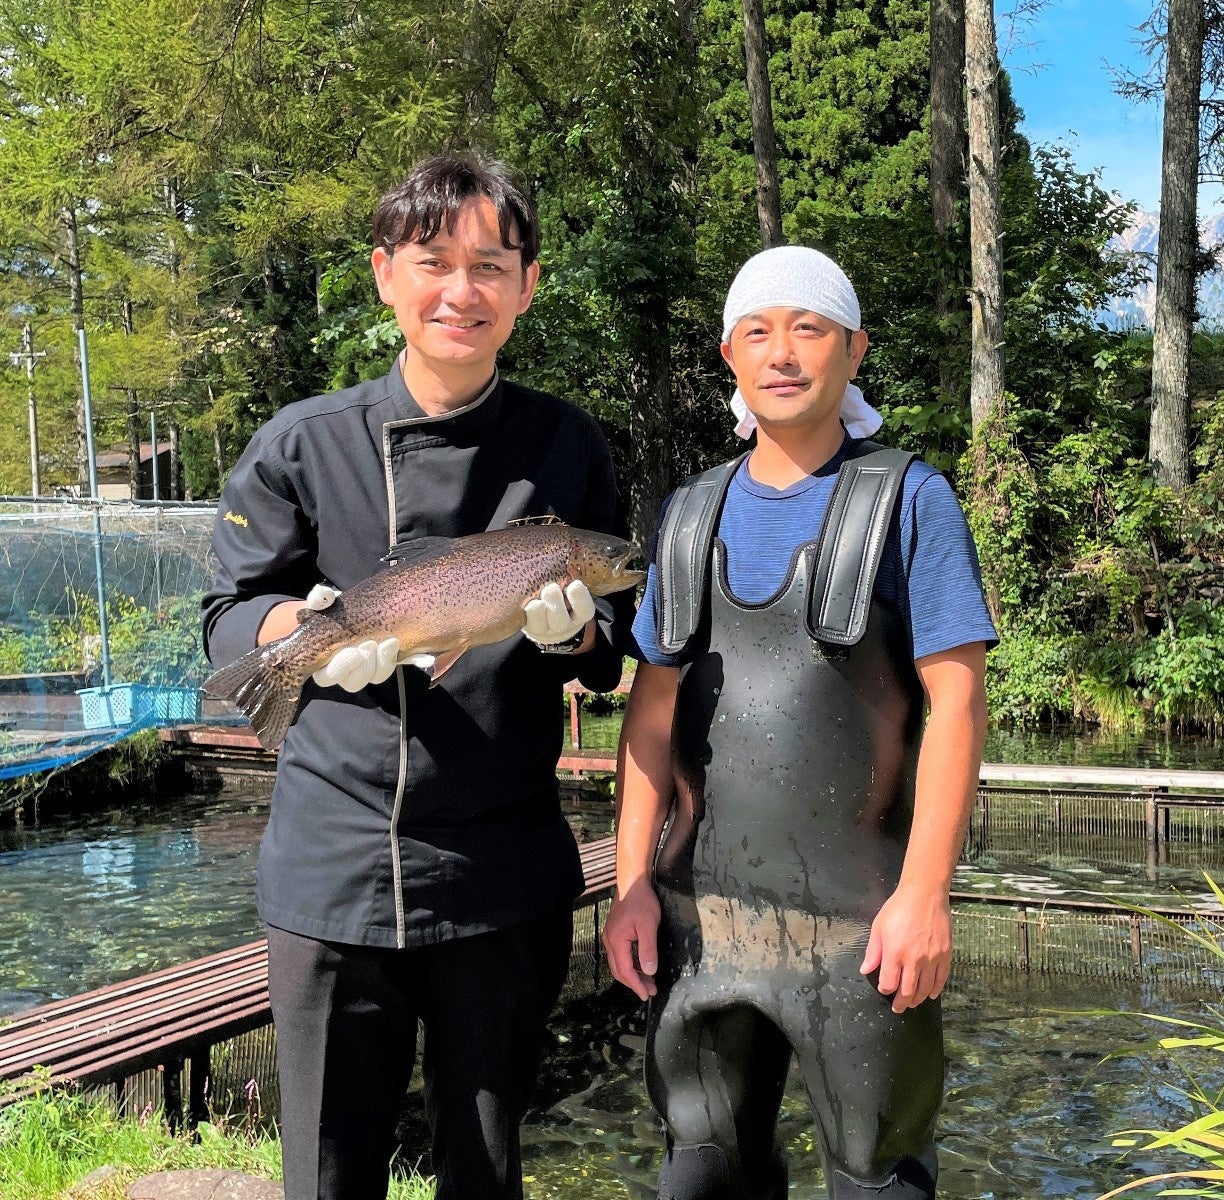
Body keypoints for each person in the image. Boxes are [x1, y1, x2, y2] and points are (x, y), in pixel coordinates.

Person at [201, 155, 631, 1200]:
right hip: (331, 865)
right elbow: (225, 619)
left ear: (528, 285)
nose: (461, 291)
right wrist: (290, 624)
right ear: (385, 274)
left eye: (491, 265)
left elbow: (615, 648)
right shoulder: (302, 444)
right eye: (435, 262)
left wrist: (577, 632)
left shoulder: (566, 444)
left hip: (503, 872)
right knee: (328, 1170)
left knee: (483, 1172)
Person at [601, 245, 996, 1200]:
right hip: (701, 922)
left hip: (862, 927)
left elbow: (958, 704)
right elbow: (650, 717)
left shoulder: (910, 501)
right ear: (730, 356)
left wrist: (925, 895)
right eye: (759, 332)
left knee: (874, 1172)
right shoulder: (689, 515)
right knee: (700, 1170)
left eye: (808, 328)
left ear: (853, 350)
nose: (783, 353)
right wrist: (630, 888)